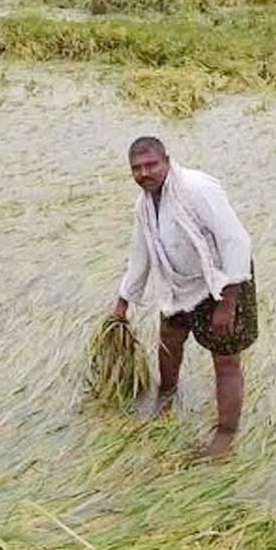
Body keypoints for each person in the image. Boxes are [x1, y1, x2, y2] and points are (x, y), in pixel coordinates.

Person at [112, 136, 258, 459]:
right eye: (137, 169)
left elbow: (235, 240)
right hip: (179, 284)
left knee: (226, 360)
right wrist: (124, 301)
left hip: (221, 281)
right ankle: (166, 395)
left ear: (167, 160)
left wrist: (228, 302)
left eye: (151, 165)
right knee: (169, 339)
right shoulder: (145, 205)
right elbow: (141, 254)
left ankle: (225, 434)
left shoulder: (197, 189)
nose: (144, 173)